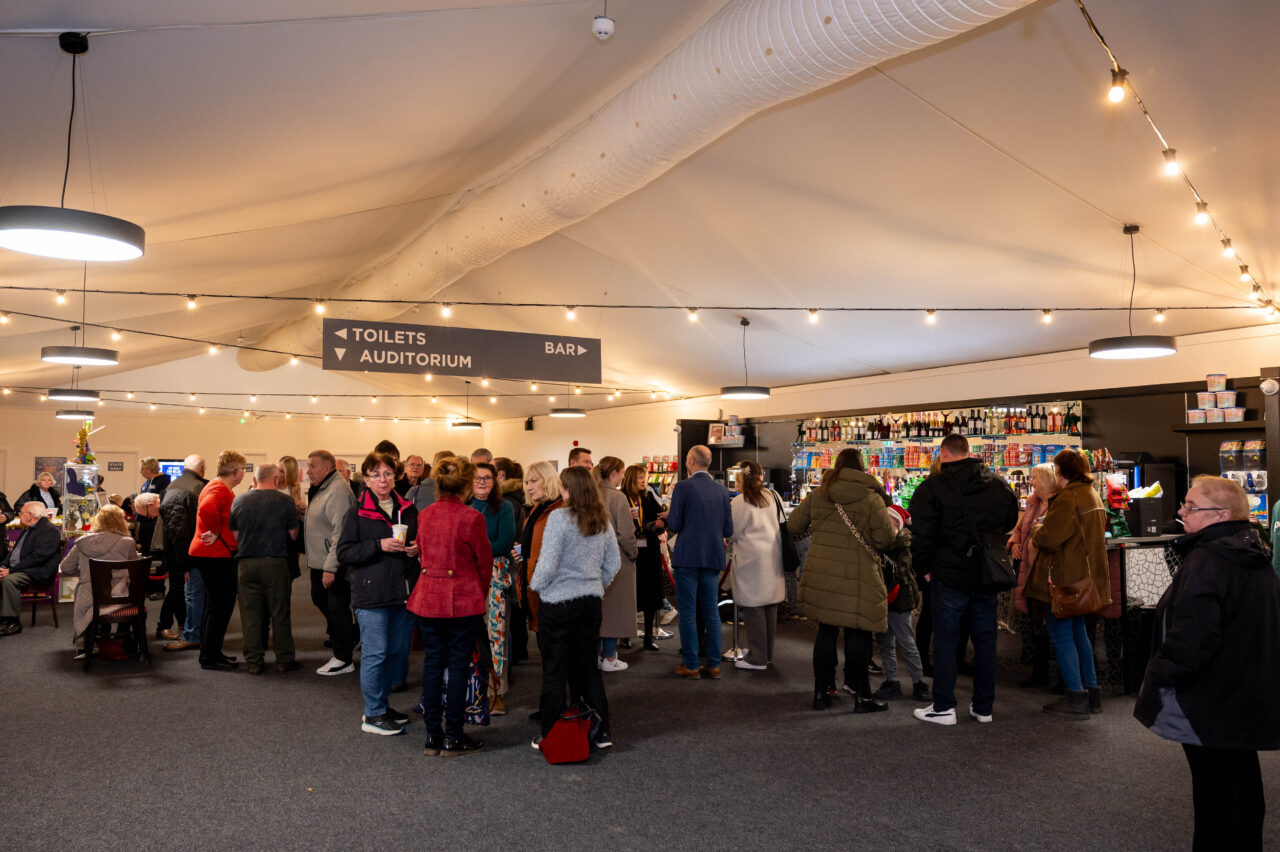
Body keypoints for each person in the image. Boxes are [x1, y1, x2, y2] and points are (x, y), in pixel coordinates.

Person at [1135, 476, 1280, 851]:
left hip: (1208, 697)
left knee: (1215, 793)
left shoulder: (1208, 560)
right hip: (1243, 688)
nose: (1181, 512)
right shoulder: (1254, 553)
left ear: (1221, 515)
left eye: (1190, 506)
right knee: (1240, 785)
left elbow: (1193, 638)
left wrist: (1159, 672)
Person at [910, 433, 1018, 726]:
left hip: (948, 573)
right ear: (969, 452)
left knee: (946, 640)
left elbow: (922, 533)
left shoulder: (932, 488)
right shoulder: (997, 484)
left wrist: (925, 567)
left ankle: (944, 706)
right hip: (986, 573)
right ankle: (983, 707)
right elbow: (1009, 519)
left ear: (943, 453)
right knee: (985, 640)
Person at [787, 448, 893, 711]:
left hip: (822, 573)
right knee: (858, 636)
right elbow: (885, 540)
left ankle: (821, 692)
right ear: (861, 468)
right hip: (859, 576)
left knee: (826, 633)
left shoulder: (819, 494)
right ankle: (862, 696)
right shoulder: (871, 499)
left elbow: (793, 526)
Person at [530, 466, 621, 750]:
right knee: (588, 669)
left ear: (568, 490)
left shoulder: (558, 518)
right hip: (590, 603)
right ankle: (601, 731)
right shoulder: (602, 519)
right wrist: (595, 585)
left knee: (554, 671)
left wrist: (536, 586)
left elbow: (548, 564)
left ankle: (550, 733)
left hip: (558, 603)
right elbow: (614, 564)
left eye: (562, 488)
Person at [408, 456, 492, 757]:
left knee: (432, 664)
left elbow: (422, 554)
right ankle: (453, 736)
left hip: (428, 597)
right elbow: (485, 564)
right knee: (458, 667)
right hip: (462, 600)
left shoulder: (425, 514)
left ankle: (433, 735)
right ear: (467, 484)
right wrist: (477, 594)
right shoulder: (471, 518)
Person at [337, 452, 420, 735]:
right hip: (371, 595)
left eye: (387, 474)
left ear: (395, 476)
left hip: (402, 592)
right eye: (376, 475)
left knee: (395, 654)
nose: (382, 480)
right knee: (376, 654)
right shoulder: (356, 512)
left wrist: (415, 549)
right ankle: (372, 714)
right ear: (366, 479)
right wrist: (378, 545)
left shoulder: (408, 509)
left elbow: (419, 540)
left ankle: (382, 706)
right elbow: (345, 552)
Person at [1030, 450, 1110, 718]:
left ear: (1059, 470)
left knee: (1062, 635)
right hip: (1087, 578)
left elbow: (1050, 539)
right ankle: (1091, 692)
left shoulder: (1067, 498)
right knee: (1081, 635)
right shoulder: (1091, 494)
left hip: (1066, 578)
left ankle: (1075, 697)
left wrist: (1037, 530)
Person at [662, 444, 733, 679]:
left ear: (691, 461)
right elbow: (728, 528)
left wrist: (669, 514)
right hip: (713, 556)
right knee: (711, 612)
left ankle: (691, 664)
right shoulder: (722, 491)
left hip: (689, 556)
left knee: (689, 613)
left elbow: (674, 524)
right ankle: (713, 665)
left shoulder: (683, 487)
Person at [230, 463, 301, 675]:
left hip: (246, 563)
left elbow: (235, 535)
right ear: (277, 480)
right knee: (279, 613)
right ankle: (284, 659)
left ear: (254, 479)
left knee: (250, 615)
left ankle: (254, 662)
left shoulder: (239, 500)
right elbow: (293, 535)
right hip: (275, 562)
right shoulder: (286, 501)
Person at [190, 450, 246, 671]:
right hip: (215, 554)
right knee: (220, 606)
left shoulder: (216, 486)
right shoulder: (219, 489)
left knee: (215, 605)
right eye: (243, 469)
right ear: (235, 471)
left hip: (212, 554)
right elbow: (206, 508)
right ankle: (210, 656)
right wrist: (215, 531)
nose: (243, 473)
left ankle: (211, 652)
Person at [728, 460, 786, 671]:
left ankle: (757, 657)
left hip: (751, 560)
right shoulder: (774, 496)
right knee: (770, 605)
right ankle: (766, 654)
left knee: (753, 608)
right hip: (773, 556)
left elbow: (731, 531)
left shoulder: (740, 502)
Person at [58, 504, 141, 650]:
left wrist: (84, 571)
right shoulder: (128, 543)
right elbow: (135, 568)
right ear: (121, 521)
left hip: (90, 597)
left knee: (89, 596)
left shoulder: (82, 542)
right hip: (119, 595)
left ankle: (94, 641)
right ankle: (122, 640)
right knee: (132, 597)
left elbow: (65, 568)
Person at [305, 449, 358, 676]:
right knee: (321, 599)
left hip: (332, 563)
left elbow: (341, 533)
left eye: (312, 466)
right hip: (320, 562)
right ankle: (349, 637)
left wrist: (330, 566)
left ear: (327, 468)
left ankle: (344, 657)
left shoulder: (337, 490)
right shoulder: (324, 488)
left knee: (337, 609)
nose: (307, 471)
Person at [1007, 463, 1059, 689]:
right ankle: (1039, 673)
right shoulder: (1032, 503)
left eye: (1035, 478)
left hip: (1048, 573)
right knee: (1035, 623)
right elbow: (1020, 530)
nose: (1031, 482)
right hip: (1028, 571)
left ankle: (1060, 676)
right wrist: (1015, 542)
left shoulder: (1059, 505)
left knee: (1053, 625)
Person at [471, 462, 516, 713]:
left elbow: (504, 543)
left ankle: (495, 692)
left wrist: (476, 546)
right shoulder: (464, 506)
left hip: (496, 578)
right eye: (477, 478)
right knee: (469, 637)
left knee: (496, 637)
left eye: (487, 478)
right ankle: (473, 689)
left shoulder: (504, 507)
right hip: (468, 578)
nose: (482, 482)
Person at [873, 505, 930, 702]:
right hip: (885, 600)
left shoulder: (903, 545)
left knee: (906, 643)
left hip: (898, 600)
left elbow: (900, 570)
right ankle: (892, 680)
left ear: (896, 523)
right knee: (885, 643)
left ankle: (918, 681)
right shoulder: (885, 543)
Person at [159, 455, 208, 651]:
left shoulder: (174, 485)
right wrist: (187, 562)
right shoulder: (197, 488)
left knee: (181, 589)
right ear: (202, 469)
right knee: (187, 591)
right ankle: (181, 629)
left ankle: (184, 626)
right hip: (188, 551)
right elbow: (184, 530)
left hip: (173, 549)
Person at [596, 456, 637, 672]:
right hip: (616, 560)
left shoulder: (592, 494)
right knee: (613, 612)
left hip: (593, 561)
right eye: (621, 472)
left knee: (597, 612)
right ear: (614, 473)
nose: (623, 476)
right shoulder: (618, 497)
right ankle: (610, 657)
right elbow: (626, 534)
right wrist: (633, 553)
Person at [0, 502, 63, 636]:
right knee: (4, 576)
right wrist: (3, 566)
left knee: (10, 580)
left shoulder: (49, 530)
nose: (19, 515)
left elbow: (38, 558)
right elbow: (13, 554)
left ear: (30, 515)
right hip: (23, 569)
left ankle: (12, 623)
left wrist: (11, 571)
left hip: (38, 571)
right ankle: (3, 620)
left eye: (21, 512)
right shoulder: (28, 529)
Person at [519, 460, 565, 641]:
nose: (529, 487)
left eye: (534, 481)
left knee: (555, 648)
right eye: (527, 482)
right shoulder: (537, 509)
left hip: (553, 590)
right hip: (535, 585)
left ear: (547, 480)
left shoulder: (559, 509)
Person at [622, 464, 665, 650]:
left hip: (650, 551)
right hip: (629, 552)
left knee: (651, 595)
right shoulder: (621, 498)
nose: (644, 481)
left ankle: (648, 636)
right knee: (629, 595)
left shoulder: (647, 496)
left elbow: (662, 518)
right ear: (632, 478)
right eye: (641, 477)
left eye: (645, 477)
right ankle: (625, 635)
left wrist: (656, 524)